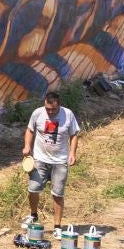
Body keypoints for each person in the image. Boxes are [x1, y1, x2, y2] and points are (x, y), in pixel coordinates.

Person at [22, 87, 81, 231]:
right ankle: (34, 215)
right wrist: (27, 146)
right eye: (48, 109)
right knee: (33, 189)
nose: (50, 112)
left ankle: (57, 227)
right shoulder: (37, 113)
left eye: (53, 110)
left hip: (60, 161)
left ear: (58, 105)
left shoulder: (68, 114)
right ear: (44, 104)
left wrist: (72, 153)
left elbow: (74, 135)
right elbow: (30, 130)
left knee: (57, 194)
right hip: (40, 160)